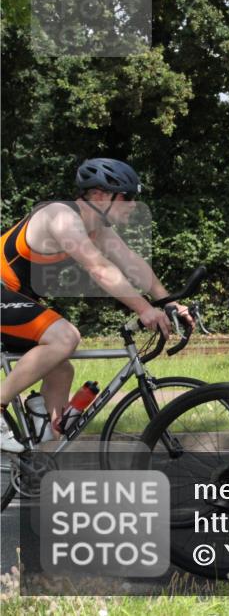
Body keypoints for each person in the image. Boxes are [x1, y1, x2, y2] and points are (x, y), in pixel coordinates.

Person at [1, 158, 192, 453]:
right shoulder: (60, 217)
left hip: (15, 299)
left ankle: (42, 457)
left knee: (61, 370)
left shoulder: (97, 229)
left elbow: (132, 264)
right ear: (100, 195)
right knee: (65, 337)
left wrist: (169, 303)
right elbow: (100, 269)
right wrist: (144, 309)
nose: (133, 205)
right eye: (127, 197)